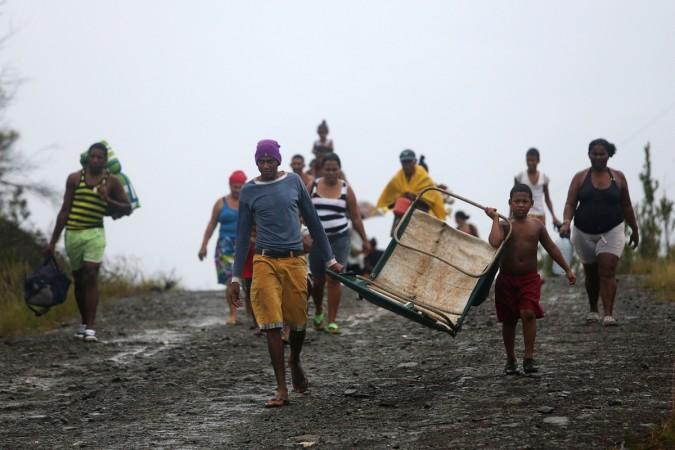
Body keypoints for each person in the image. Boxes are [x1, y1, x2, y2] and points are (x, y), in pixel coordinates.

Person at [229, 139, 343, 408]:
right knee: (271, 323)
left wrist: (331, 260)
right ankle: (281, 388)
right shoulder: (248, 191)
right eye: (261, 161)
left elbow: (313, 222)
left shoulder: (293, 183)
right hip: (264, 261)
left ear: (279, 161)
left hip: (294, 261)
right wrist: (235, 277)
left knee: (298, 322)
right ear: (256, 162)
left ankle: (295, 361)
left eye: (270, 160)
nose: (266, 165)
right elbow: (243, 236)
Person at [485, 184, 575, 374]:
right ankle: (510, 359)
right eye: (516, 201)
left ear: (531, 204)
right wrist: (494, 218)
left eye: (524, 201)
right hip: (506, 280)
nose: (520, 205)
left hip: (529, 279)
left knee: (528, 313)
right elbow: (494, 242)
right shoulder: (504, 224)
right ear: (510, 203)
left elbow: (551, 247)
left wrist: (567, 269)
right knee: (509, 320)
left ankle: (529, 357)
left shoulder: (536, 225)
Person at [46, 142, 131, 342]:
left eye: (100, 157)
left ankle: (91, 328)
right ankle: (83, 323)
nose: (95, 160)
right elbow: (64, 210)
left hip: (95, 233)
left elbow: (127, 208)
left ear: (105, 161)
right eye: (92, 156)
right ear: (88, 158)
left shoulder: (112, 182)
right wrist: (52, 242)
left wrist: (108, 199)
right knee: (79, 279)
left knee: (91, 274)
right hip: (73, 234)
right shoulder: (74, 179)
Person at [559, 138, 639, 326]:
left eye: (602, 154)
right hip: (583, 232)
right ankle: (593, 309)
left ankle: (608, 314)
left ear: (608, 155)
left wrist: (634, 229)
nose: (598, 157)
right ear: (589, 155)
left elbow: (627, 206)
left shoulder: (618, 178)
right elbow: (570, 203)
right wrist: (566, 222)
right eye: (594, 153)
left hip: (612, 230)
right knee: (591, 271)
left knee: (607, 269)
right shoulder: (580, 178)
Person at [308, 153, 371, 334]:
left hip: (340, 238)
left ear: (339, 170)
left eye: (334, 169)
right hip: (317, 239)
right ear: (322, 169)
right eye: (327, 169)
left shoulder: (346, 189)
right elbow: (301, 210)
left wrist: (365, 240)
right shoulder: (312, 185)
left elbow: (356, 217)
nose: (331, 172)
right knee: (318, 280)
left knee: (335, 278)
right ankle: (319, 310)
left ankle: (332, 320)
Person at [198, 170, 247, 325]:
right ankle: (233, 314)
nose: (237, 190)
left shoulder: (249, 203)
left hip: (245, 245)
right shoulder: (221, 203)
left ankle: (252, 314)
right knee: (230, 280)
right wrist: (203, 246)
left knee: (247, 281)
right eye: (235, 186)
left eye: (240, 187)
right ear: (230, 185)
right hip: (224, 247)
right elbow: (212, 224)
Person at [377, 149, 447, 235]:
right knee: (397, 239)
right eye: (404, 162)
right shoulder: (396, 179)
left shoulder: (424, 178)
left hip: (418, 219)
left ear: (414, 161)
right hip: (400, 219)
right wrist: (400, 198)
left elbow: (430, 203)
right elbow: (389, 204)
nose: (406, 165)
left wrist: (415, 198)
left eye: (409, 162)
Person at [513, 148, 561, 227]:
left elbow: (547, 199)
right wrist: (510, 216)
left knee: (539, 237)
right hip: (524, 213)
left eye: (533, 160)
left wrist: (553, 216)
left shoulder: (543, 178)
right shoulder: (520, 177)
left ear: (538, 161)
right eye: (528, 160)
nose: (530, 163)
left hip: (540, 214)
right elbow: (513, 198)